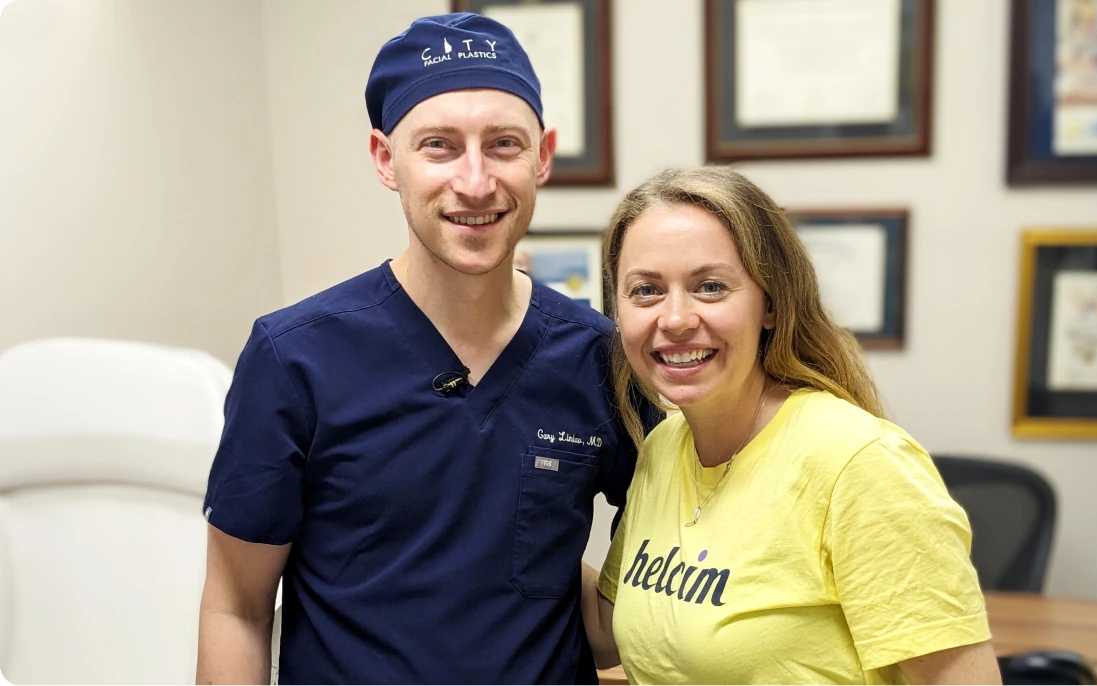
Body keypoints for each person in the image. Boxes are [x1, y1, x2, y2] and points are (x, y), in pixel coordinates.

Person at [196, 13, 654, 685]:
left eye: (503, 144)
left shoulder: (600, 360)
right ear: (386, 159)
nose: (474, 182)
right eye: (439, 146)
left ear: (543, 156)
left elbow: (666, 577)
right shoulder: (295, 360)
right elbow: (236, 608)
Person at [580, 167, 1002, 685]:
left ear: (772, 305)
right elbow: (607, 631)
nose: (675, 319)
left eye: (710, 287)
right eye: (645, 290)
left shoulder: (858, 464)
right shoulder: (665, 447)